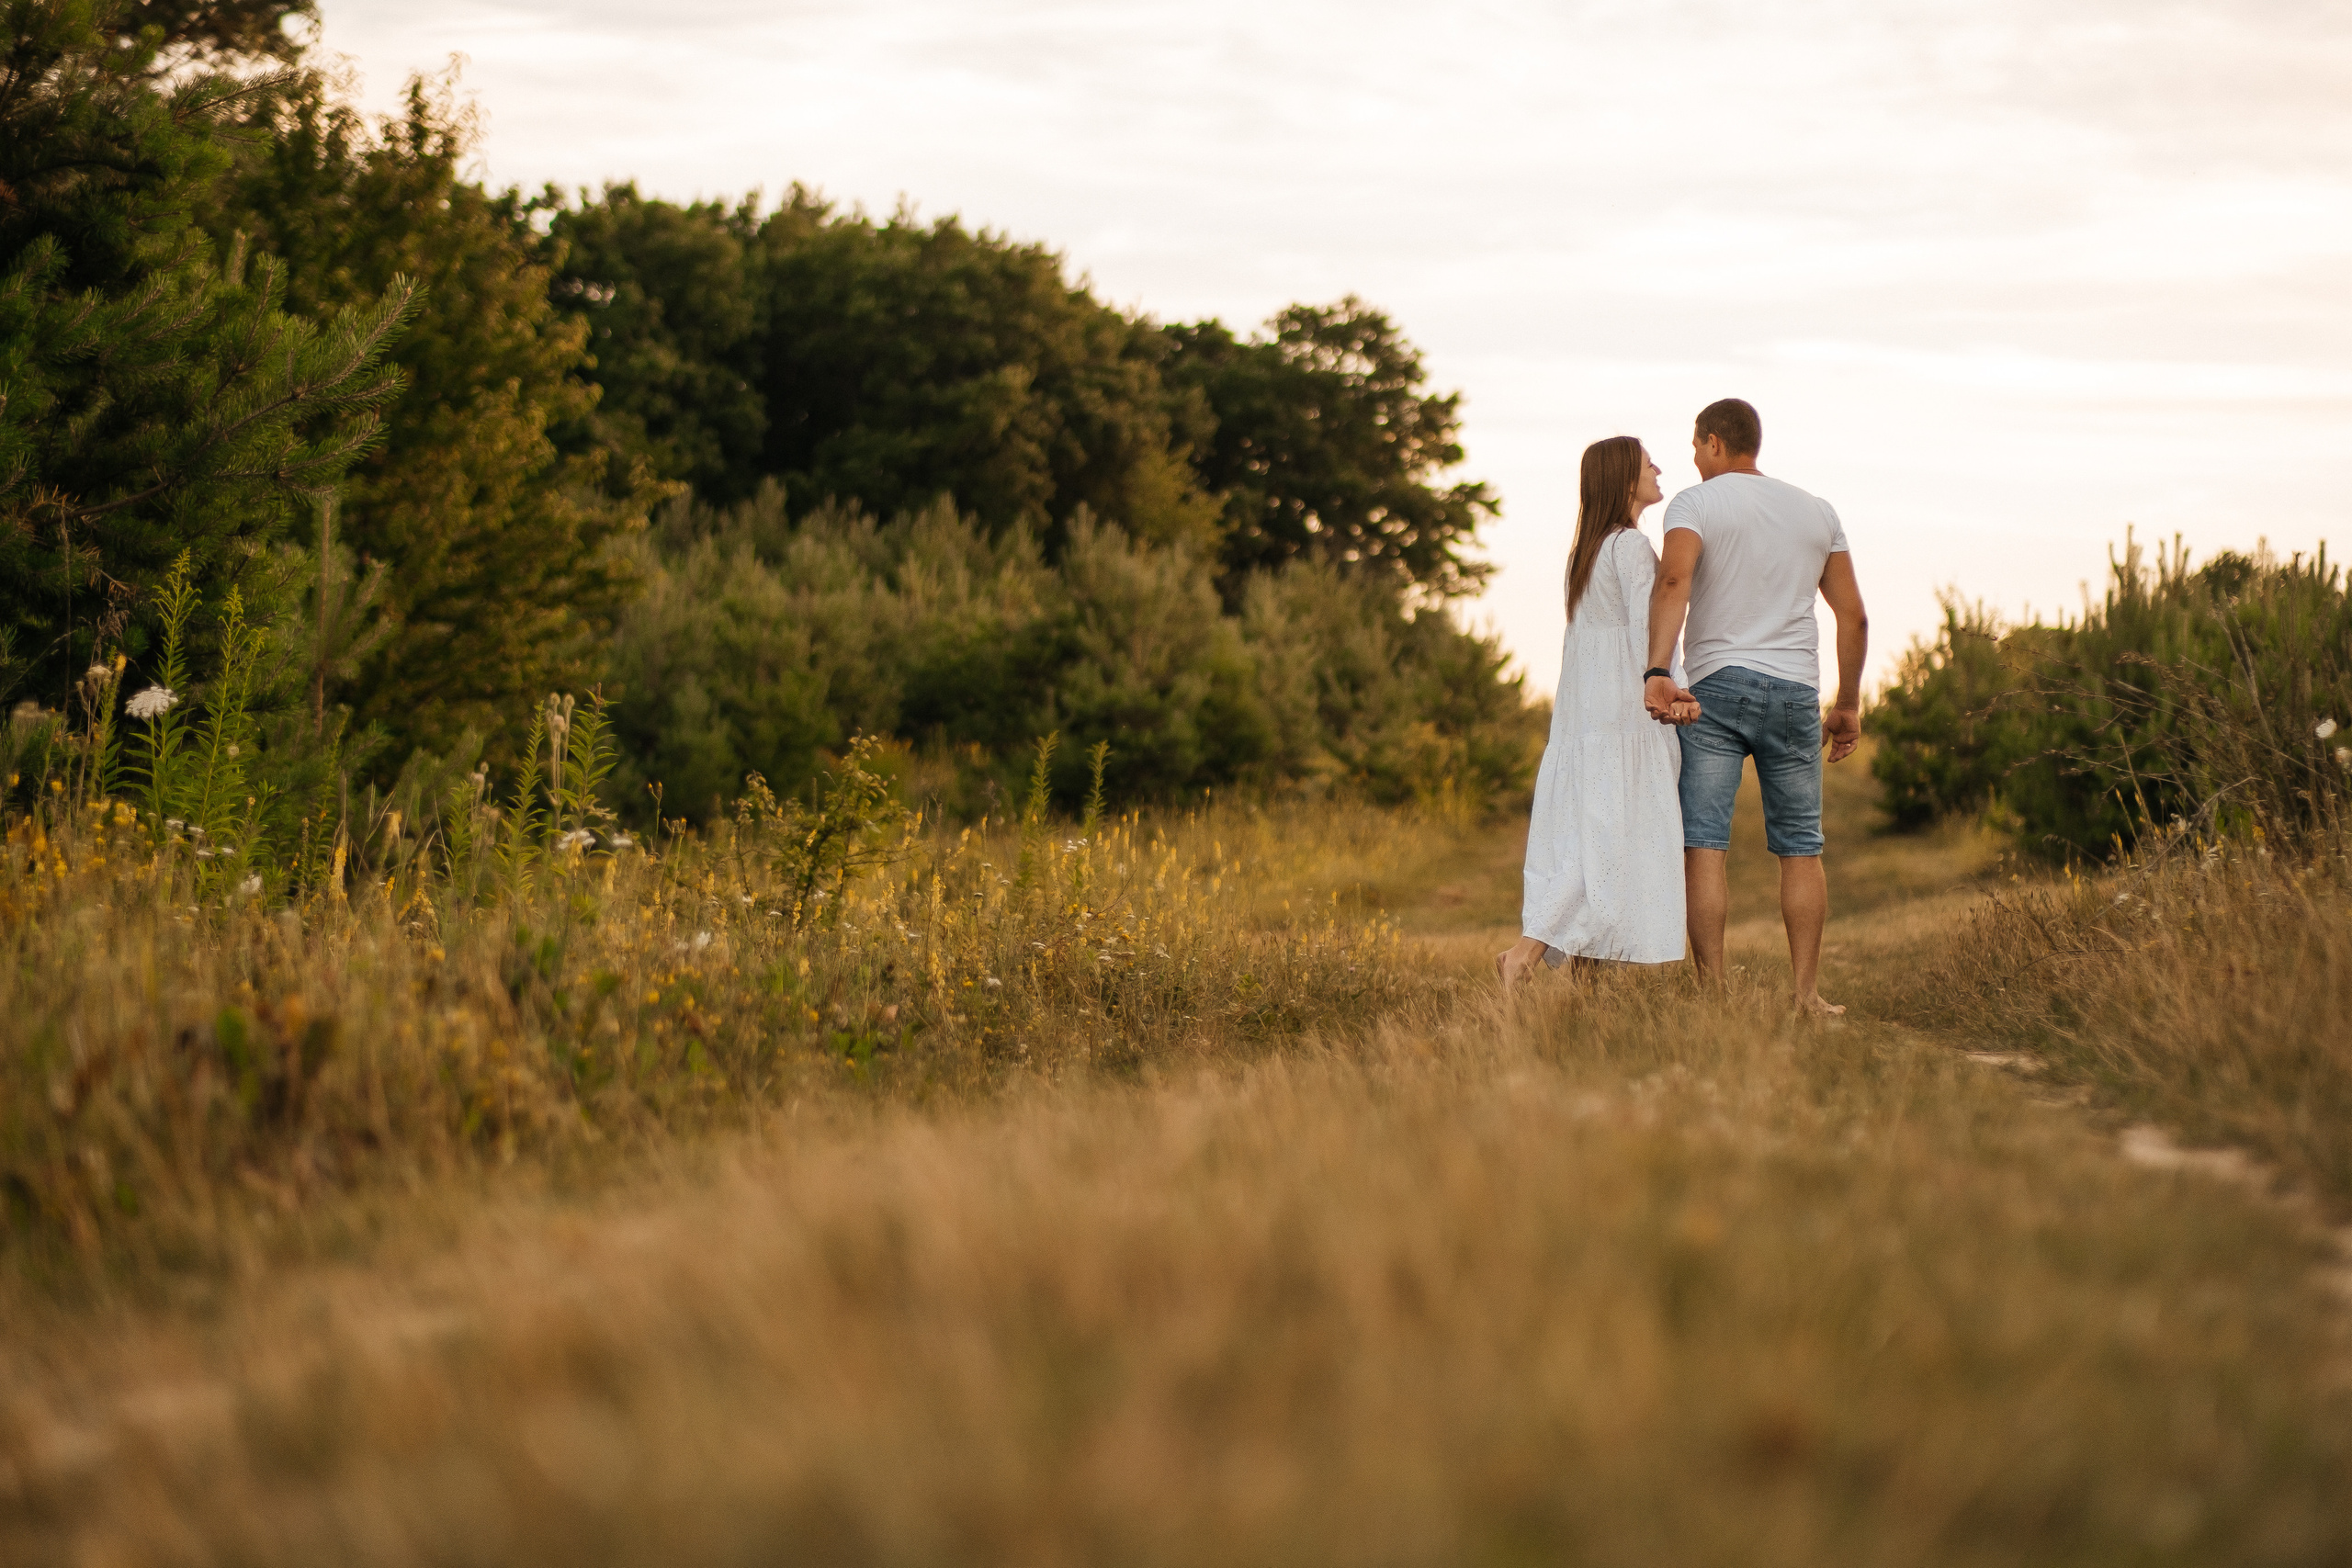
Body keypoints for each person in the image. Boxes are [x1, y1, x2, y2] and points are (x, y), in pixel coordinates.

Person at [1642, 398, 1868, 1015]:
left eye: (1695, 446)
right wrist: (1847, 703)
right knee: (1801, 845)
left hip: (1715, 687)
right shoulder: (1818, 511)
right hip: (1796, 691)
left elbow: (1673, 581)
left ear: (1714, 442)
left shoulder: (1696, 503)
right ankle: (1807, 996)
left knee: (1705, 842)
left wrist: (1658, 671)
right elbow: (1853, 615)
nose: (1692, 459)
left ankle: (1714, 995)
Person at [1497, 436, 1698, 987]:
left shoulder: (1588, 552)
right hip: (1627, 723)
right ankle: (1524, 954)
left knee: (1597, 846)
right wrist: (1672, 688)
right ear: (1622, 481)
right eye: (1646, 464)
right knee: (1608, 851)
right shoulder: (1631, 547)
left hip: (1590, 726)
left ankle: (1587, 990)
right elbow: (1648, 628)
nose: (1659, 470)